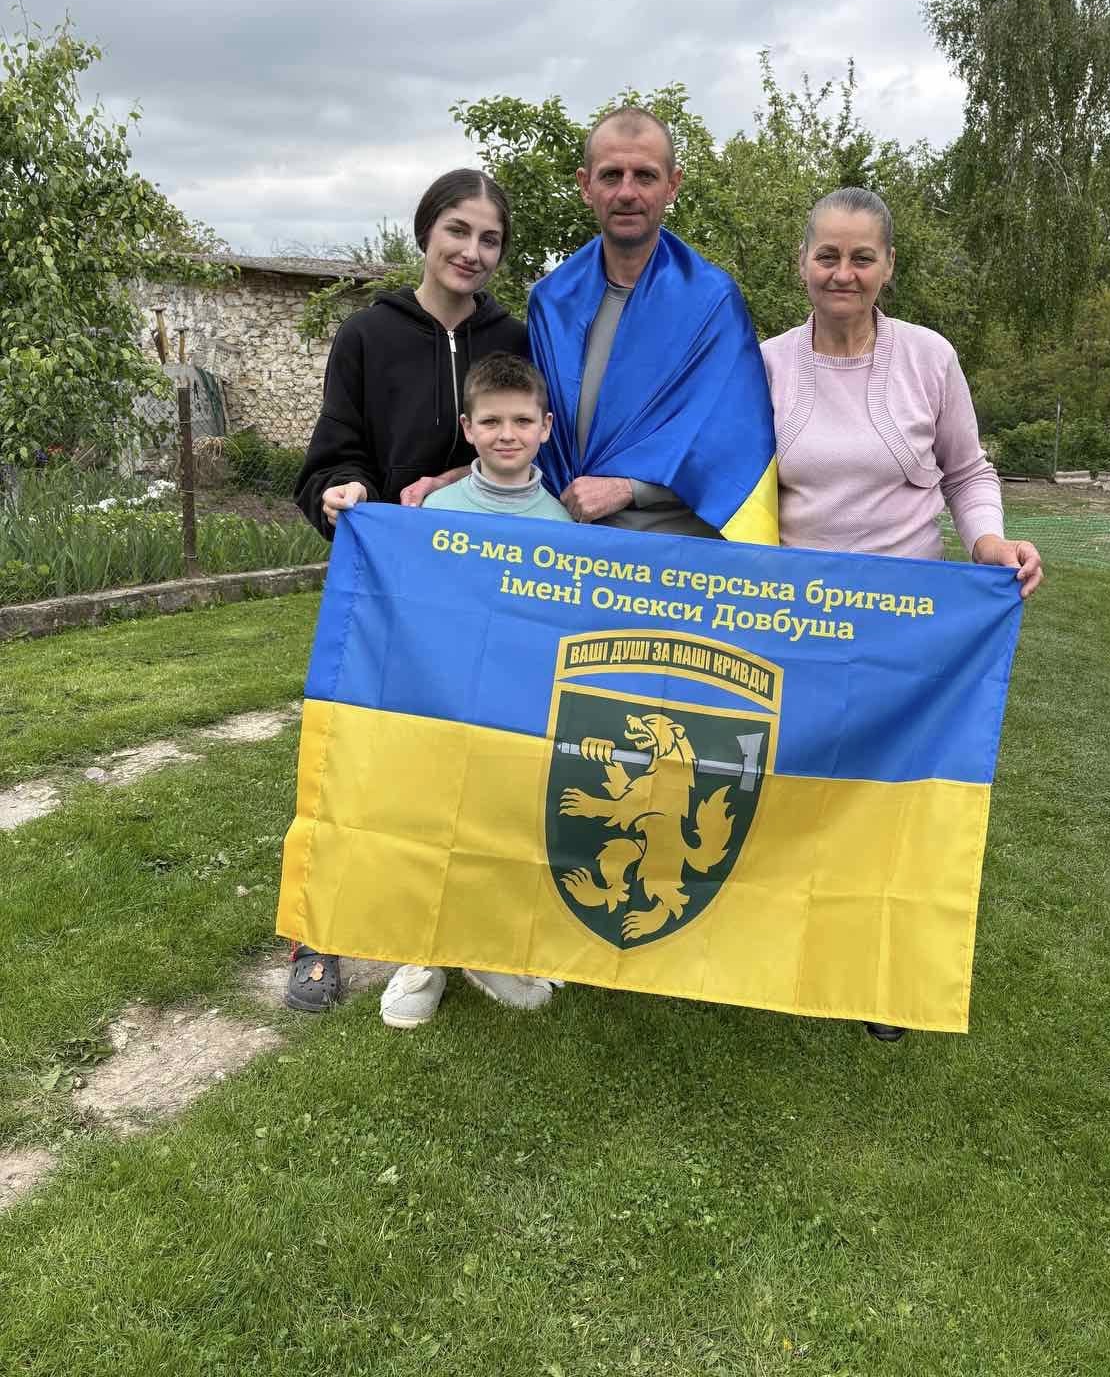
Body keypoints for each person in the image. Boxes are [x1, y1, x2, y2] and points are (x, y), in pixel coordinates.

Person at [760, 185, 1043, 1043]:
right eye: (827, 256)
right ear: (802, 263)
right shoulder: (765, 363)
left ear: (888, 266)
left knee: (889, 801)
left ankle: (879, 976)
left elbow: (967, 470)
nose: (842, 273)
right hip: (797, 622)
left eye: (862, 257)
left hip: (906, 624)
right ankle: (771, 949)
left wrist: (987, 540)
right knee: (793, 790)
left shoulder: (930, 358)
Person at [287, 169, 528, 1012]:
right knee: (356, 759)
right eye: (458, 230)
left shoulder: (515, 337)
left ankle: (465, 934)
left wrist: (459, 475)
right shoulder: (366, 334)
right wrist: (342, 490)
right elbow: (331, 454)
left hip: (484, 596)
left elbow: (521, 439)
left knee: (475, 766)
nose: (472, 251)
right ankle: (320, 935)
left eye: (490, 238)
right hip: (388, 591)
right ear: (425, 232)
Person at [378, 351, 572, 1028]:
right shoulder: (437, 509)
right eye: (491, 421)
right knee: (434, 825)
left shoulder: (562, 525)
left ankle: (492, 949)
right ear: (467, 428)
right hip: (444, 701)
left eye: (521, 420)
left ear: (546, 427)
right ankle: (422, 955)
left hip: (518, 709)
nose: (506, 434)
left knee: (507, 825)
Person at [528, 106, 779, 546]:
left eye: (644, 176)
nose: (627, 192)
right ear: (585, 185)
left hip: (678, 556)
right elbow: (525, 432)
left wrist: (630, 488)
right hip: (569, 549)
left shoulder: (712, 301)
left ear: (672, 185)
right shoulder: (551, 302)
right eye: (611, 175)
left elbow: (734, 443)